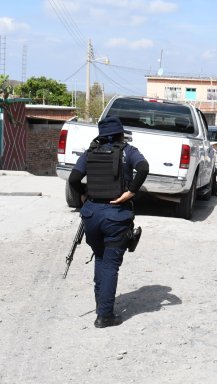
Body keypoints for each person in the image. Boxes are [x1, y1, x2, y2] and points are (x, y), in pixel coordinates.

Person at [68, 116, 149, 328]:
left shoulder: (90, 153)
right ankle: (105, 316)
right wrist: (130, 193)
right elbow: (143, 168)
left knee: (100, 258)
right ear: (121, 133)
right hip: (116, 214)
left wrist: (84, 196)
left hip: (92, 215)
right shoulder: (128, 151)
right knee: (111, 264)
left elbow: (74, 179)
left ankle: (100, 305)